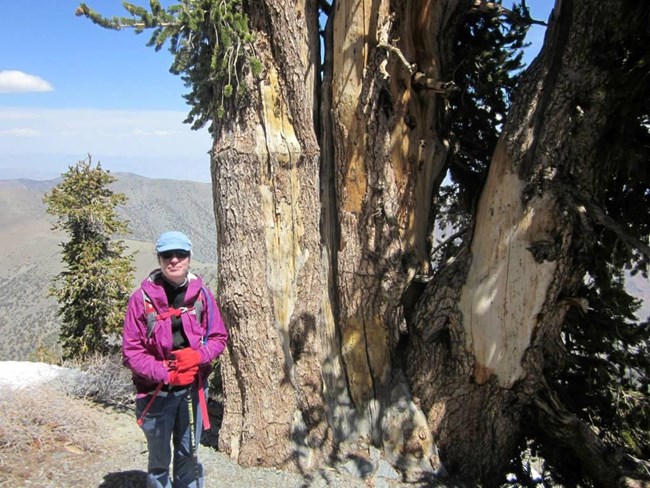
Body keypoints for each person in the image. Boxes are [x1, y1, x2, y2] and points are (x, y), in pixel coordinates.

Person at [122, 230, 228, 488]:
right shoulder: (141, 300)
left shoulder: (201, 295)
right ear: (159, 258)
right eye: (167, 254)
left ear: (189, 257)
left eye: (180, 254)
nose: (174, 260)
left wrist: (198, 356)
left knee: (188, 456)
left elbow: (218, 337)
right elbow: (131, 352)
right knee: (159, 460)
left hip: (191, 392)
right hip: (155, 394)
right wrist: (166, 373)